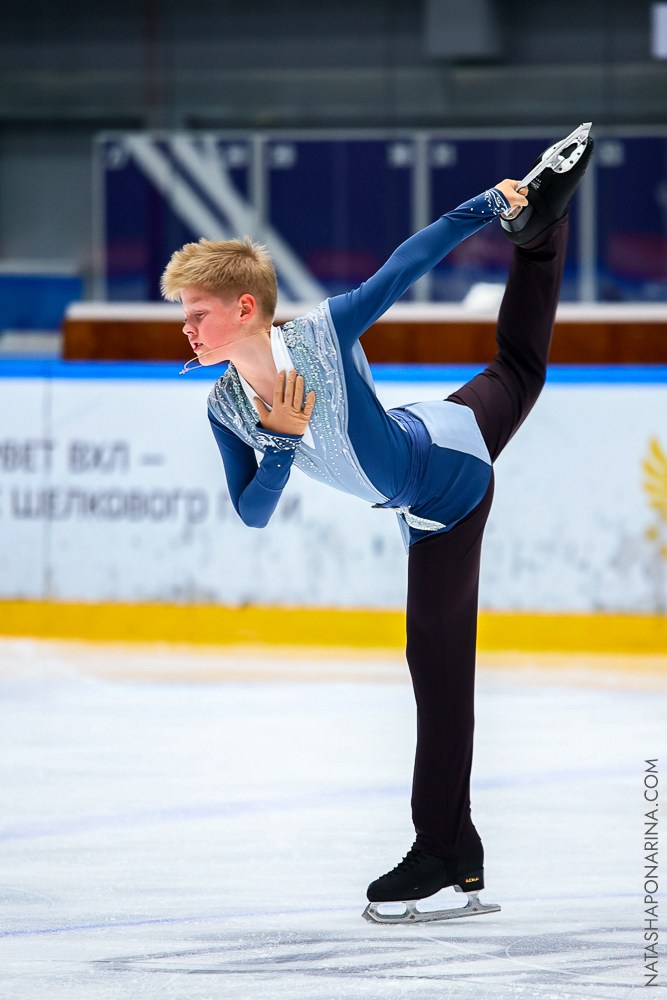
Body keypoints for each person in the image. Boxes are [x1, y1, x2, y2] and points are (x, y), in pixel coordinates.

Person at [161, 130, 594, 924]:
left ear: (244, 308)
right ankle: (544, 234)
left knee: (435, 666)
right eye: (182, 316)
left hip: (446, 489)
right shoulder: (225, 407)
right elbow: (253, 512)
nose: (186, 328)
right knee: (516, 370)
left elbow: (404, 264)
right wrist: (282, 445)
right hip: (436, 429)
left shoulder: (321, 334)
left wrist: (483, 205)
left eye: (196, 313)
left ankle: (440, 848)